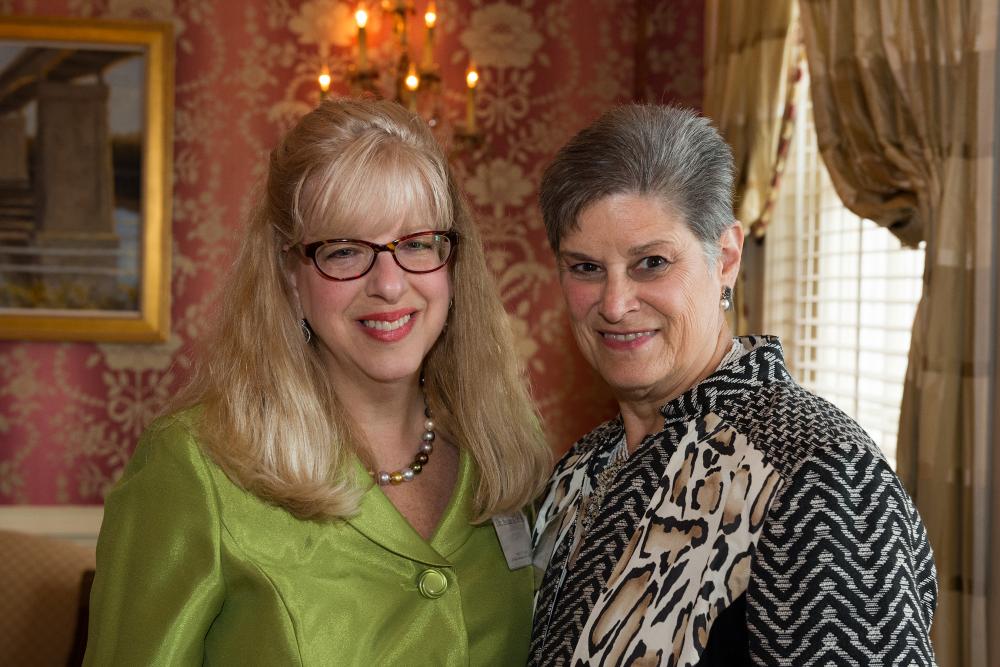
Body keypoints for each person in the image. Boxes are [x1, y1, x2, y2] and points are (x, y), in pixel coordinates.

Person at [84, 98, 551, 665]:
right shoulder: (195, 465)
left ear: (452, 261)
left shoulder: (504, 453)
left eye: (417, 244)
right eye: (345, 250)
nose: (389, 284)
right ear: (289, 274)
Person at [528, 105, 937, 666]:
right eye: (585, 268)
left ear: (725, 258)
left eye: (651, 262)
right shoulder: (583, 467)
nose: (615, 304)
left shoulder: (821, 478)